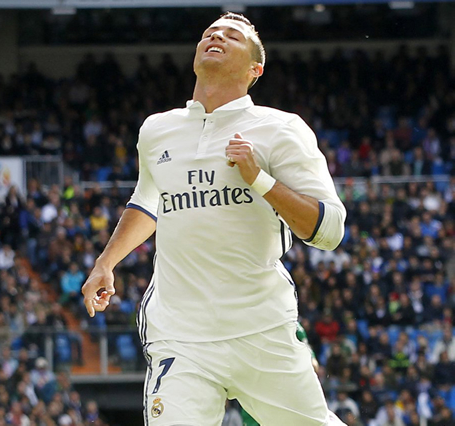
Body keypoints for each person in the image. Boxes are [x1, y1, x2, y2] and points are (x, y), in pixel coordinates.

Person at [82, 11, 346, 426]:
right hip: (179, 334)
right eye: (209, 33)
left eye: (232, 36)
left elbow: (329, 229)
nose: (216, 36)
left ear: (255, 69)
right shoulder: (156, 130)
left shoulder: (281, 129)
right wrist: (105, 263)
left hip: (261, 328)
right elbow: (148, 201)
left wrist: (259, 179)